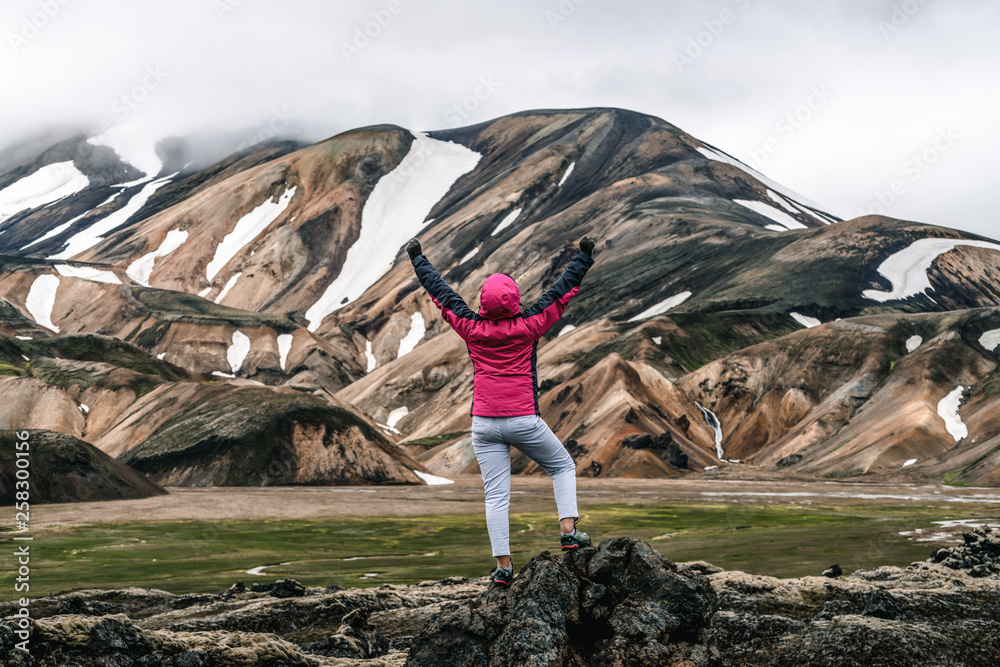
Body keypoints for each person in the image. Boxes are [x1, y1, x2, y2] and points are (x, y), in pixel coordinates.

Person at [406, 235, 597, 587]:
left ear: (483, 303)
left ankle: (503, 568)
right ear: (515, 300)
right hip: (523, 419)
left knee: (496, 495)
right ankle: (569, 531)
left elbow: (443, 295)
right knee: (562, 465)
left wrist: (419, 260)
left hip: (484, 423)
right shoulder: (529, 326)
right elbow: (561, 292)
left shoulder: (471, 328)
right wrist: (583, 257)